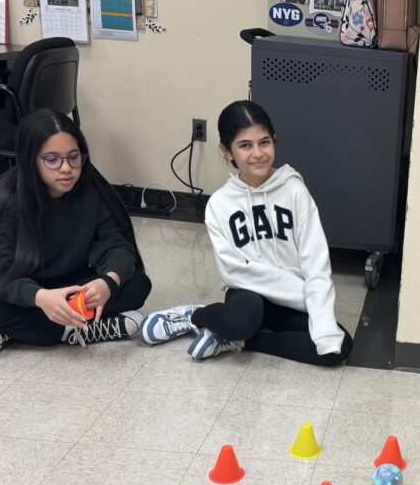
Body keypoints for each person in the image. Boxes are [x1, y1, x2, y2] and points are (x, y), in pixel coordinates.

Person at [140, 100, 353, 365]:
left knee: (336, 346)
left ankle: (237, 341)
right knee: (241, 321)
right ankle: (195, 316)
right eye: (245, 145)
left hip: (292, 300)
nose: (258, 153)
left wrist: (314, 305)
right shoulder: (219, 205)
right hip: (248, 294)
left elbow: (316, 262)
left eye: (264, 142)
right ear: (226, 150)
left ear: (274, 140)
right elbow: (233, 271)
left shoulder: (295, 191)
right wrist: (299, 293)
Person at [0, 109, 151, 353]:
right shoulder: (7, 196)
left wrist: (107, 282)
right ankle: (65, 331)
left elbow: (116, 245)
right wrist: (40, 297)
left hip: (72, 285)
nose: (66, 168)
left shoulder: (92, 189)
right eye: (52, 159)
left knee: (137, 284)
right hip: (22, 287)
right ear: (31, 160)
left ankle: (10, 329)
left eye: (74, 157)